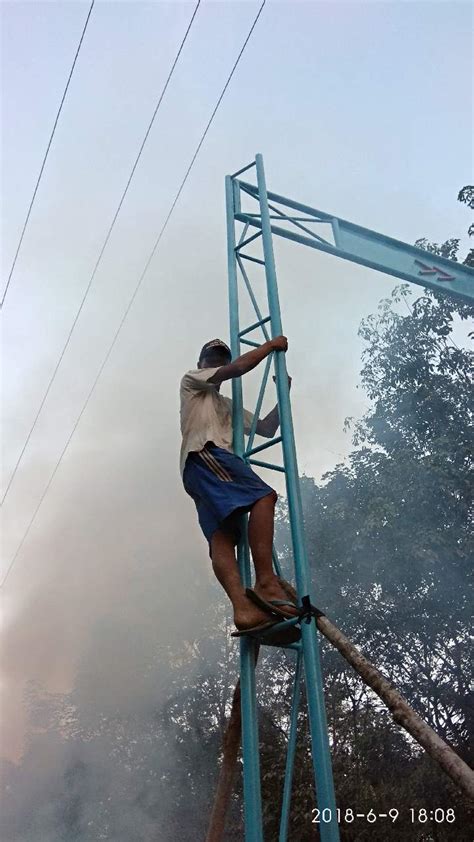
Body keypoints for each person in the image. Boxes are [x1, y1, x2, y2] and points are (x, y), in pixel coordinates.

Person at [179, 336, 300, 645]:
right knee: (263, 496)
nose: (217, 363)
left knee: (224, 538)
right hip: (205, 454)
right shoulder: (192, 381)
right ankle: (266, 582)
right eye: (212, 359)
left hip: (199, 472)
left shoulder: (227, 407)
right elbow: (239, 367)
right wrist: (270, 346)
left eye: (221, 358)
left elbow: (266, 428)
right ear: (201, 365)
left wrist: (283, 392)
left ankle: (244, 609)